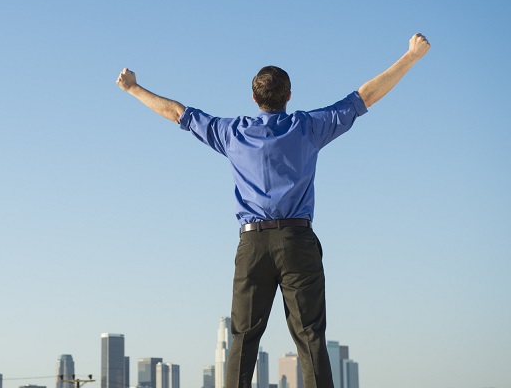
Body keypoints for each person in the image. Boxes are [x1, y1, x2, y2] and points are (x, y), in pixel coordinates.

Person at [116, 34, 430, 388]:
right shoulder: (307, 127)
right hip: (297, 242)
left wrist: (133, 88)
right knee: (310, 336)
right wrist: (410, 57)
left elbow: (178, 113)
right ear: (289, 96)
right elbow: (364, 97)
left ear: (254, 99)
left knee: (244, 339)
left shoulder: (232, 133)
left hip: (252, 246)